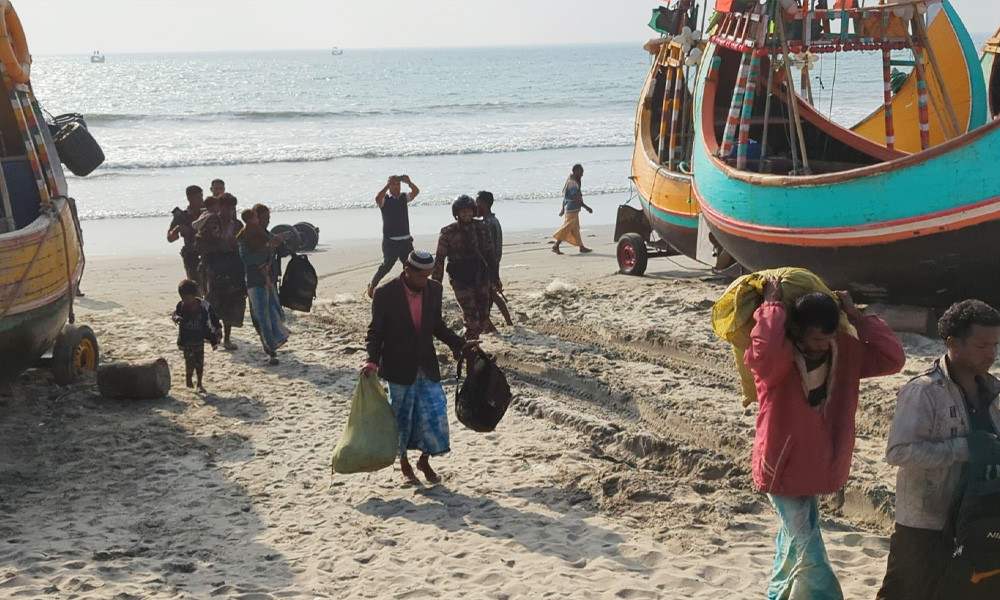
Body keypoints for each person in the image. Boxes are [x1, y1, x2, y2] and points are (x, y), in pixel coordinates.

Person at [745, 276, 905, 600]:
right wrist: (772, 307)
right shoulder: (779, 361)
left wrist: (857, 317)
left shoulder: (843, 352)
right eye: (813, 339)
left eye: (826, 338)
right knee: (808, 546)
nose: (819, 345)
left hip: (816, 466)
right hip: (780, 466)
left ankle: (778, 595)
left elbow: (893, 358)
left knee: (794, 542)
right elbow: (763, 355)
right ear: (796, 331)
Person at [876, 299, 1000, 600]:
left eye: (995, 344)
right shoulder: (923, 391)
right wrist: (964, 448)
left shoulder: (993, 390)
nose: (992, 354)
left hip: (975, 519)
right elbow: (900, 452)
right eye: (982, 345)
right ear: (952, 343)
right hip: (926, 522)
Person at [362, 250, 478, 485]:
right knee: (402, 417)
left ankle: (424, 460)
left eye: (428, 275)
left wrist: (461, 344)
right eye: (421, 276)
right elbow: (376, 332)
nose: (425, 281)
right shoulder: (385, 293)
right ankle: (405, 464)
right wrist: (372, 360)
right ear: (407, 271)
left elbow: (437, 325)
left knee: (435, 413)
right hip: (397, 366)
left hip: (426, 363)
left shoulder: (434, 290)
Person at [432, 195, 502, 340]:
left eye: (469, 210)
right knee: (472, 320)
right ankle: (468, 349)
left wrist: (495, 278)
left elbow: (490, 254)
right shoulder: (447, 232)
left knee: (483, 320)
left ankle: (460, 341)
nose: (467, 214)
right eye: (463, 211)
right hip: (461, 280)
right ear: (456, 213)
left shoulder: (482, 228)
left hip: (481, 277)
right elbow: (439, 260)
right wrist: (435, 285)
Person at [238, 208, 288, 365]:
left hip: (270, 279)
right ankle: (270, 350)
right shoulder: (245, 236)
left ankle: (274, 343)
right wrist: (269, 249)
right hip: (254, 280)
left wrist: (279, 244)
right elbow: (246, 258)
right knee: (261, 317)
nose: (268, 221)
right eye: (265, 218)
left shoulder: (266, 234)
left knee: (275, 313)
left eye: (269, 217)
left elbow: (284, 251)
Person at [196, 193, 246, 350]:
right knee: (211, 300)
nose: (229, 211)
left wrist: (234, 246)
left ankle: (227, 338)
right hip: (212, 267)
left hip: (232, 267)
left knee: (231, 302)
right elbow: (199, 244)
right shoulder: (210, 222)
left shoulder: (237, 225)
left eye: (232, 208)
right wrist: (221, 245)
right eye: (226, 207)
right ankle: (210, 332)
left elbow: (243, 246)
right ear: (219, 207)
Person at [368, 174, 420, 298]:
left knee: (410, 266)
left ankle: (409, 288)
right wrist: (387, 185)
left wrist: (409, 182)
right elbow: (377, 198)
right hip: (390, 240)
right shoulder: (385, 199)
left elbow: (416, 192)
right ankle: (373, 285)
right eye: (394, 184)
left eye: (398, 184)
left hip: (405, 239)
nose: (396, 186)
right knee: (387, 266)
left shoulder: (403, 197)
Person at [172, 278, 221, 392]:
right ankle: (189, 379)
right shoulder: (181, 306)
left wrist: (213, 340)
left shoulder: (203, 308)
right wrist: (176, 318)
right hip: (186, 339)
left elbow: (207, 326)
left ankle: (199, 383)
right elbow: (175, 314)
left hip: (199, 340)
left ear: (194, 295)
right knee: (189, 361)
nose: (185, 300)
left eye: (187, 298)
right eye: (182, 298)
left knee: (199, 363)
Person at [551, 163, 593, 254]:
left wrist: (563, 209)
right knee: (567, 227)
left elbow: (565, 197)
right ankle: (556, 245)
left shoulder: (572, 180)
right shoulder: (572, 183)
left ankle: (581, 247)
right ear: (575, 171)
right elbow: (574, 197)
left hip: (572, 209)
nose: (582, 174)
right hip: (571, 209)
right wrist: (586, 207)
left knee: (576, 229)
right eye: (580, 172)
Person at [167, 185, 204, 283]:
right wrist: (177, 229)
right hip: (191, 253)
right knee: (194, 283)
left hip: (206, 252)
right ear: (189, 198)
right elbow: (170, 238)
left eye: (201, 196)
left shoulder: (206, 213)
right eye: (198, 197)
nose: (201, 200)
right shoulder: (182, 216)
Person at [476, 190, 502, 263]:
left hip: (489, 266)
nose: (475, 207)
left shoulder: (487, 224)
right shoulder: (494, 220)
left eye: (477, 203)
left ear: (483, 204)